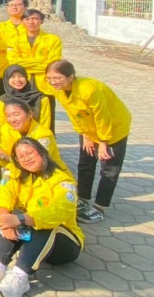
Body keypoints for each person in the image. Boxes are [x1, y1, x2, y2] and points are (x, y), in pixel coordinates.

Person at [0, 137, 84, 297]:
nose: (26, 159)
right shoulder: (19, 175)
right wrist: (5, 219)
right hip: (35, 241)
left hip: (64, 244)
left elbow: (59, 210)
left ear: (42, 153)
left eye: (29, 153)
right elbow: (5, 195)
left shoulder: (62, 179)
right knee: (10, 215)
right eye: (21, 157)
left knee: (40, 222)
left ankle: (20, 276)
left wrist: (20, 220)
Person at [46, 60, 131, 224]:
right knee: (85, 163)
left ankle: (100, 207)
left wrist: (103, 142)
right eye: (49, 78)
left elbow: (103, 116)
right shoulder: (58, 89)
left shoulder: (89, 90)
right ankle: (83, 199)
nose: (53, 81)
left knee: (109, 169)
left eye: (57, 78)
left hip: (113, 129)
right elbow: (73, 113)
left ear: (71, 77)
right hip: (89, 128)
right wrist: (85, 135)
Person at [9, 9, 63, 127]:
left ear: (42, 21)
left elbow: (52, 65)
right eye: (27, 19)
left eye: (35, 18)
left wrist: (26, 65)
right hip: (22, 83)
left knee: (47, 118)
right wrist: (40, 62)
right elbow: (13, 62)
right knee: (23, 116)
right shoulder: (16, 40)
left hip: (45, 84)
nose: (31, 22)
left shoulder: (53, 40)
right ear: (23, 22)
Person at [0, 99, 66, 181]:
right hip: (14, 172)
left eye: (16, 114)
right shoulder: (5, 129)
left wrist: (5, 157)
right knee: (3, 187)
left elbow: (35, 162)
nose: (12, 120)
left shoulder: (43, 134)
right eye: (8, 116)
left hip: (46, 175)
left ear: (30, 114)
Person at [0, 0, 29, 95]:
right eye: (11, 5)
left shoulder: (29, 26)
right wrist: (14, 46)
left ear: (25, 8)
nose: (14, 7)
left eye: (18, 5)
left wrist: (7, 46)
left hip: (24, 70)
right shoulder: (0, 26)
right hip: (2, 70)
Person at [0, 64, 52, 130]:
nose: (17, 80)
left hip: (36, 137)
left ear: (26, 77)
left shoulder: (41, 99)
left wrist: (30, 139)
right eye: (12, 77)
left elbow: (45, 126)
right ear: (6, 79)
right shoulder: (3, 100)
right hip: (10, 138)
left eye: (21, 76)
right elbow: (0, 125)